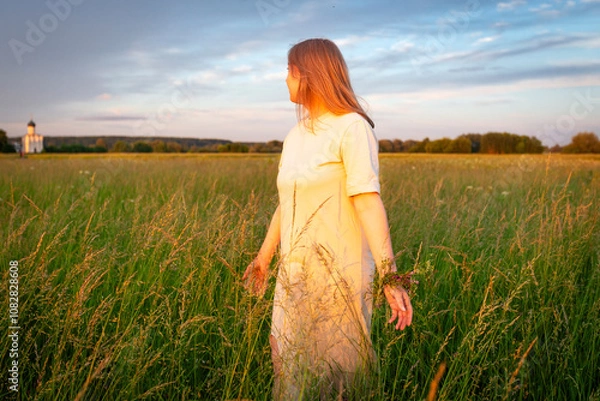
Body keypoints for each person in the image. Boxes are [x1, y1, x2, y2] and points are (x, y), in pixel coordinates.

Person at [243, 38, 413, 400]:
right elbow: (286, 203)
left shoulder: (352, 128)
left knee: (336, 377)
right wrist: (263, 259)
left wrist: (390, 275)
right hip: (294, 274)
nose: (285, 80)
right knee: (285, 363)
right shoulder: (296, 135)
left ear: (308, 75)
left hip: (339, 275)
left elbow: (368, 202)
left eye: (289, 71)